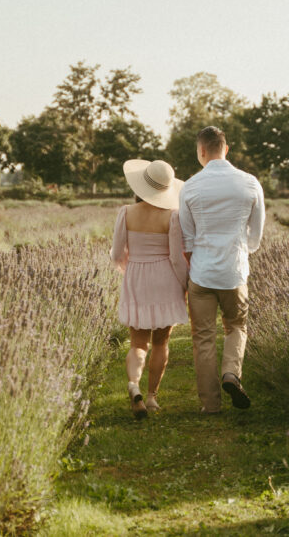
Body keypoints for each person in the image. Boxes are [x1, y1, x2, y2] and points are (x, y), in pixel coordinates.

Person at [179, 126, 265, 413]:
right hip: (234, 272)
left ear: (201, 151)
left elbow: (187, 238)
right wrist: (242, 251)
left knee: (202, 338)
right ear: (226, 149)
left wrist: (198, 264)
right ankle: (231, 373)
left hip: (202, 274)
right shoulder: (250, 183)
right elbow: (255, 235)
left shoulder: (190, 186)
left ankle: (210, 404)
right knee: (236, 326)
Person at [110, 159, 189, 419]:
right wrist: (184, 284)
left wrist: (129, 268)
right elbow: (177, 258)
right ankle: (153, 397)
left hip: (137, 276)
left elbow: (116, 253)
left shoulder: (126, 212)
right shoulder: (172, 216)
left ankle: (134, 384)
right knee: (161, 341)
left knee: (137, 343)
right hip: (164, 277)